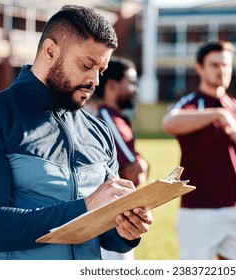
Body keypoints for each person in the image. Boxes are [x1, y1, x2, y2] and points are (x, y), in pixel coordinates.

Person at [0, 5, 152, 260]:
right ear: (50, 51)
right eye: (87, 65)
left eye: (100, 71)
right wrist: (85, 207)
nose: (95, 80)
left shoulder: (99, 131)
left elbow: (107, 236)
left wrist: (127, 230)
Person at [162, 41, 236, 260]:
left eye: (226, 65)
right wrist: (217, 114)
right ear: (200, 68)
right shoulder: (190, 103)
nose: (222, 70)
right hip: (199, 210)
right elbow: (170, 123)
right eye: (215, 65)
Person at [93, 56, 149, 260]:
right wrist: (142, 163)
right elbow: (135, 173)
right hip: (110, 221)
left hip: (121, 218)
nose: (135, 89)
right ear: (112, 85)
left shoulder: (118, 118)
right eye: (131, 83)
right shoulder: (106, 119)